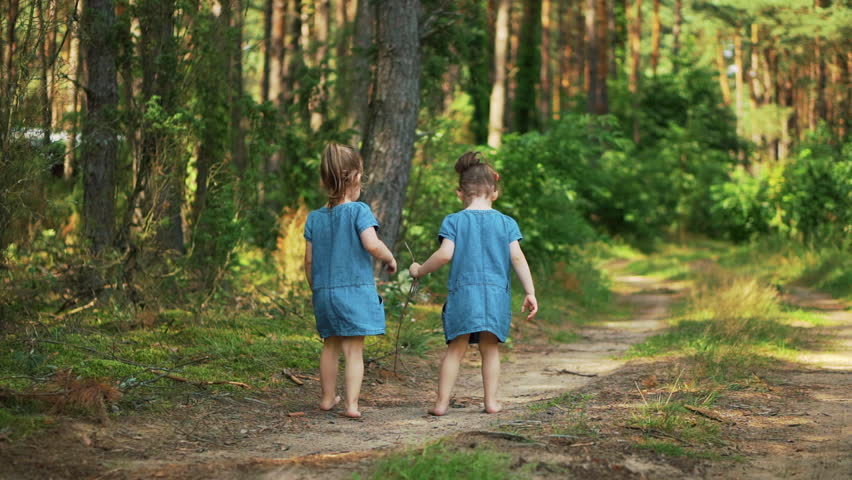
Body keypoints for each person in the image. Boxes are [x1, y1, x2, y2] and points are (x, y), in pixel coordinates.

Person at [409, 151, 538, 416]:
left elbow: (445, 254)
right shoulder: (506, 223)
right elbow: (517, 257)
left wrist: (420, 270)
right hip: (495, 297)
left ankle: (441, 403)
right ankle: (490, 402)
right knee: (489, 350)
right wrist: (530, 291)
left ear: (460, 194)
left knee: (455, 349)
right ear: (494, 193)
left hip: (463, 296)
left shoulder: (454, 221)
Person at [304, 143, 397, 418]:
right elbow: (371, 243)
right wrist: (389, 257)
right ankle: (352, 405)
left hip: (323, 292)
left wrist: (315, 287)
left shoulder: (314, 218)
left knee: (330, 345)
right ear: (356, 177)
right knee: (353, 350)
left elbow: (308, 261)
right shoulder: (359, 211)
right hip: (354, 290)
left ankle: (326, 398)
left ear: (323, 180)